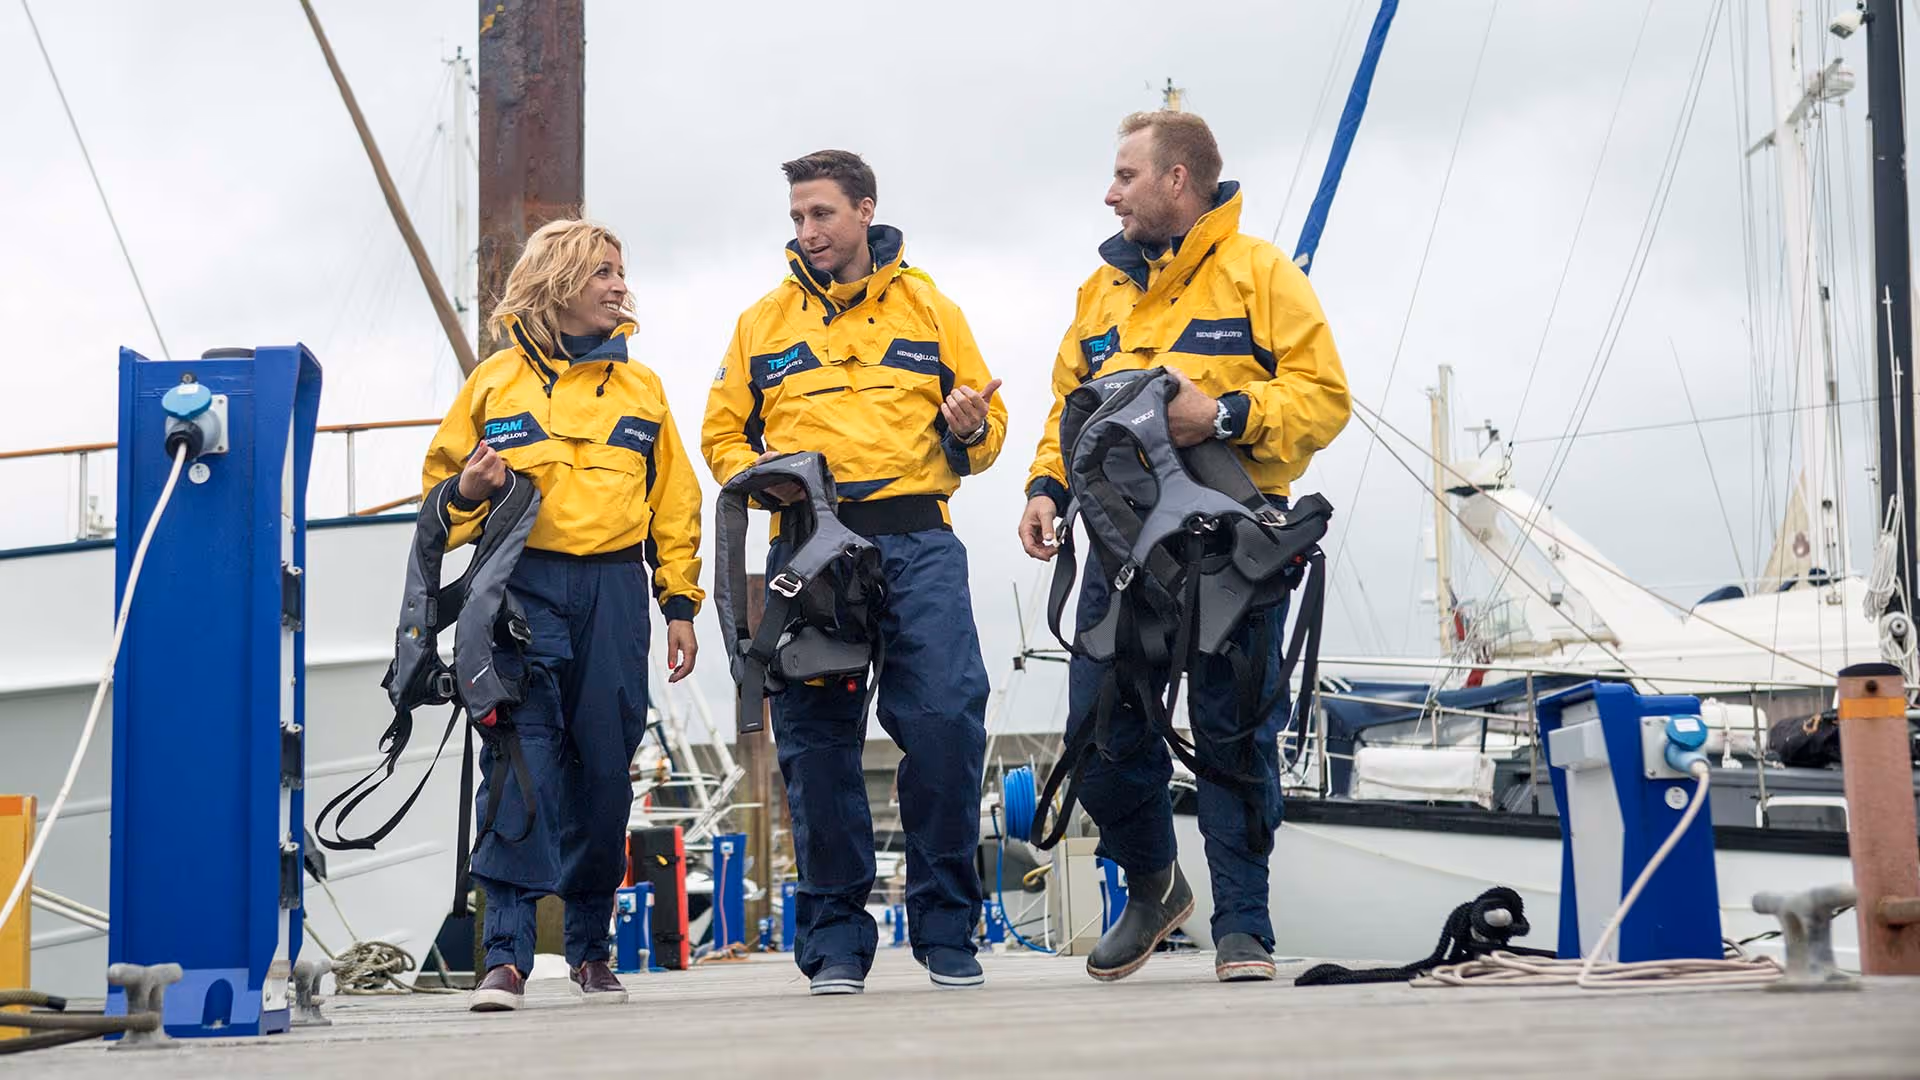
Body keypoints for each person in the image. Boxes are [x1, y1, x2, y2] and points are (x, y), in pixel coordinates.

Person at [1017, 111, 1350, 983]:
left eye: (1126, 174)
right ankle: (1153, 884)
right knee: (1099, 735)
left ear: (1176, 180)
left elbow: (1323, 398)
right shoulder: (1099, 294)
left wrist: (1227, 415)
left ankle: (1245, 925)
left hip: (1230, 545)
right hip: (1120, 547)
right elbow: (1068, 408)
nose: (1109, 191)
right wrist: (1045, 486)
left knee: (1234, 730)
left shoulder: (1260, 274)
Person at [703, 150, 1006, 996]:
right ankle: (835, 939)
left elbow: (987, 433)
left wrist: (971, 428)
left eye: (822, 214)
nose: (808, 231)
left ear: (864, 211)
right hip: (808, 549)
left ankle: (947, 929)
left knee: (947, 723)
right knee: (816, 748)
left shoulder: (932, 309)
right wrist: (753, 472)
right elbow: (723, 433)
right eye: (797, 217)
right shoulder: (761, 325)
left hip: (917, 540)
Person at [421, 218, 705, 1011]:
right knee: (519, 763)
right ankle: (505, 958)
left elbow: (674, 504)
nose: (620, 286)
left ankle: (589, 951)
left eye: (622, 272)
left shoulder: (643, 389)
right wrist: (471, 492)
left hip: (615, 595)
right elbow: (440, 501)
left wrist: (678, 602)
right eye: (604, 272)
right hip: (525, 591)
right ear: (560, 283)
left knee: (605, 773)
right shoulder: (493, 386)